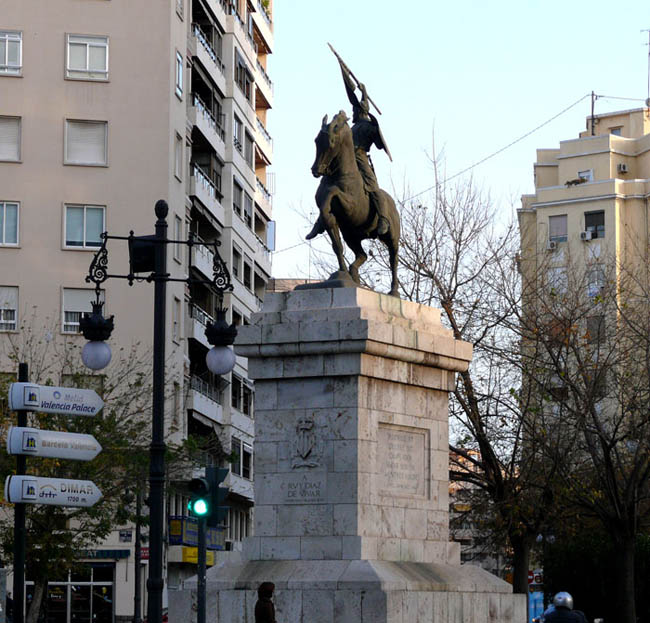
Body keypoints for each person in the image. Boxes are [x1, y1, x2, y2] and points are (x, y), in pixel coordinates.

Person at [306, 60, 392, 240]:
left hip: (360, 158)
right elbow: (352, 98)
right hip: (347, 159)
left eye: (357, 110)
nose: (353, 112)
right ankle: (321, 220)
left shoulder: (368, 126)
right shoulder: (351, 128)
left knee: (373, 186)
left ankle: (383, 218)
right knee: (326, 183)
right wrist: (349, 81)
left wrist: (365, 94)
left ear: (362, 111)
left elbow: (377, 143)